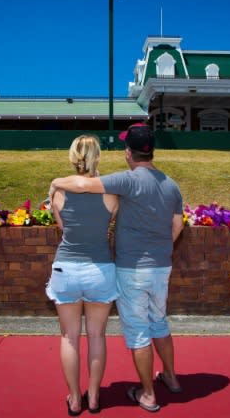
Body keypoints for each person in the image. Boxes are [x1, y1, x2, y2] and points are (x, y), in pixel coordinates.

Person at [49, 123, 184, 413]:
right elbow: (177, 226)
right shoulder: (168, 185)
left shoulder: (122, 182)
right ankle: (165, 379)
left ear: (128, 152)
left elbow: (79, 194)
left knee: (88, 336)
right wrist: (159, 248)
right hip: (153, 267)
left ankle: (93, 398)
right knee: (156, 323)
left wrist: (56, 182)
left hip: (112, 268)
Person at [46, 134, 119, 416]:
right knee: (97, 336)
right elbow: (111, 222)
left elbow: (62, 227)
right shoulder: (111, 191)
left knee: (69, 337)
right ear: (97, 156)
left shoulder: (58, 191)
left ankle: (75, 399)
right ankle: (94, 398)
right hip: (100, 269)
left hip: (66, 268)